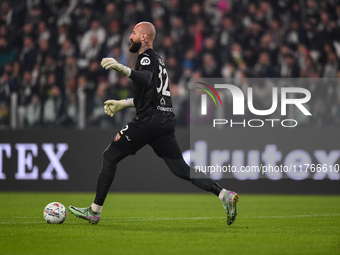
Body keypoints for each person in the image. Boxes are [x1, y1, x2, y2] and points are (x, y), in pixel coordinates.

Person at [69, 22, 239, 225]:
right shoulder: (158, 60)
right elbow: (152, 93)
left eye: (133, 33)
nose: (130, 36)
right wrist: (123, 104)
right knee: (182, 169)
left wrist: (121, 67)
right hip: (164, 122)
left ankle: (94, 211)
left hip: (148, 121)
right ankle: (223, 194)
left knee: (109, 156)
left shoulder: (146, 57)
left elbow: (146, 78)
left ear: (143, 37)